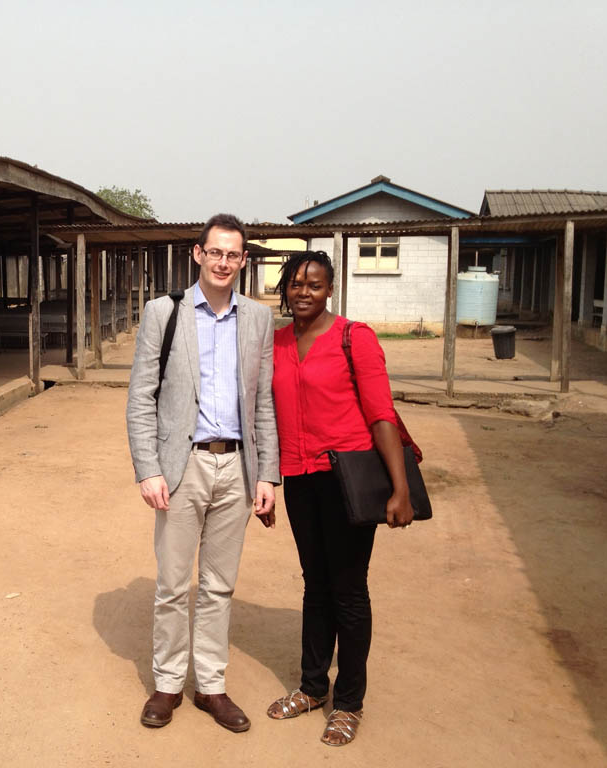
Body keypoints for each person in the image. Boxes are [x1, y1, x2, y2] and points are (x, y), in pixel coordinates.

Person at [126, 213, 280, 733]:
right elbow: (141, 397)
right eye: (215, 252)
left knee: (219, 586)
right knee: (172, 584)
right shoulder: (164, 313)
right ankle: (168, 683)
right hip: (182, 465)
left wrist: (267, 474)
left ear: (244, 260)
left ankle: (210, 685)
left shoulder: (258, 319)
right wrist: (148, 469)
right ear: (198, 254)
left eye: (233, 254)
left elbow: (263, 403)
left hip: (237, 466)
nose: (223, 262)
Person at [266, 250, 413, 746]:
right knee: (315, 584)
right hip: (299, 477)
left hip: (346, 479)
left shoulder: (355, 337)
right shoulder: (277, 342)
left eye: (315, 284)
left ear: (330, 289)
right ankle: (313, 687)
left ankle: (349, 701)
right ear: (285, 289)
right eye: (296, 283)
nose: (304, 292)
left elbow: (381, 414)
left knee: (348, 590)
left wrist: (400, 489)